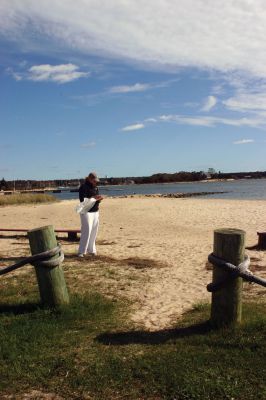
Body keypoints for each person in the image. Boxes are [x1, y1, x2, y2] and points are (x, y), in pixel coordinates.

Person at [78, 172, 103, 257]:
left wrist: (99, 199)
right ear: (89, 179)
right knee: (86, 231)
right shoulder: (83, 187)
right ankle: (82, 251)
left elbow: (97, 200)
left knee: (94, 231)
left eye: (96, 181)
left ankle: (92, 250)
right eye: (94, 181)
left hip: (95, 211)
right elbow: (82, 200)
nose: (95, 182)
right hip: (86, 211)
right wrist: (94, 198)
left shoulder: (96, 187)